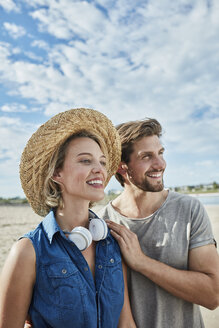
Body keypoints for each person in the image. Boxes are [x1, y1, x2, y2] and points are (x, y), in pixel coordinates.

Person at [0, 108, 136, 328]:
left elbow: (126, 324)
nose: (99, 170)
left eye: (102, 162)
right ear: (56, 173)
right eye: (85, 161)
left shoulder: (112, 243)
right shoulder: (28, 251)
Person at [97, 118, 219, 328]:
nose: (160, 164)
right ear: (121, 166)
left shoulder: (189, 209)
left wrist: (141, 262)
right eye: (147, 156)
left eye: (161, 153)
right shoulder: (103, 224)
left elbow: (212, 295)